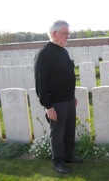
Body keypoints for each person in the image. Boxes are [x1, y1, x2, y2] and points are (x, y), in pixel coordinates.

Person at [34, 20, 83, 174]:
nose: (68, 36)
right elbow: (40, 83)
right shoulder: (44, 54)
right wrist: (48, 106)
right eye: (65, 33)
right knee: (57, 134)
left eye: (68, 33)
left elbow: (67, 74)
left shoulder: (63, 50)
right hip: (56, 102)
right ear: (54, 34)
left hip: (68, 100)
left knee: (69, 131)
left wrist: (72, 95)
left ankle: (68, 156)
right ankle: (58, 161)